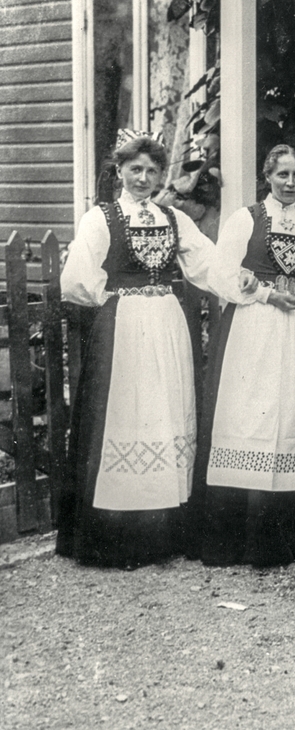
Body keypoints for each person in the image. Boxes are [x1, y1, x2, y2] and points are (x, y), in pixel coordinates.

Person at [56, 130, 217, 568]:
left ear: (162, 175)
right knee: (128, 415)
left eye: (152, 171)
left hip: (167, 324)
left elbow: (207, 264)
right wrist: (107, 297)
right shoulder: (101, 219)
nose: (144, 178)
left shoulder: (174, 218)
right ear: (120, 171)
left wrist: (250, 287)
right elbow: (75, 279)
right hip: (124, 327)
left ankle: (164, 534)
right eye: (135, 169)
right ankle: (121, 540)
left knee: (166, 413)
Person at [198, 144, 295, 567]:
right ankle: (237, 540)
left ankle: (283, 538)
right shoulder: (245, 218)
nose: (289, 182)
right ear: (268, 177)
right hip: (254, 324)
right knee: (251, 410)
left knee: (292, 411)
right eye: (282, 174)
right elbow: (220, 273)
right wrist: (266, 294)